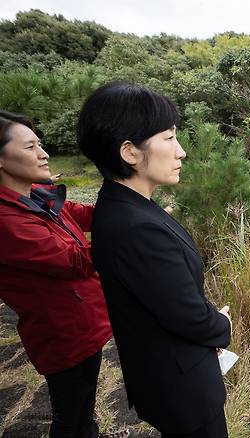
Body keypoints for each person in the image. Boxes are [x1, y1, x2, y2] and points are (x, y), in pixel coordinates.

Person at [77, 83, 233, 438]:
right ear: (130, 152)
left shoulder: (124, 205)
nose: (181, 152)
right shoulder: (137, 228)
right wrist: (221, 325)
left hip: (163, 375)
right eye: (168, 138)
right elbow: (187, 316)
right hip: (180, 387)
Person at [0, 111, 117, 438]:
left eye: (40, 144)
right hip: (62, 333)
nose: (44, 153)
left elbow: (85, 215)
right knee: (69, 416)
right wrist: (130, 236)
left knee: (83, 406)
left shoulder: (36, 194)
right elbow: (75, 261)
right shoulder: (6, 221)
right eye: (30, 147)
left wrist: (133, 210)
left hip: (84, 321)